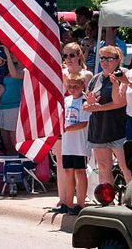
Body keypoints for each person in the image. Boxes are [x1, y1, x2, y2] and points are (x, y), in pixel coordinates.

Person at [84, 45, 132, 185]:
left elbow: (120, 102)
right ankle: (107, 202)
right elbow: (85, 105)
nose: (105, 62)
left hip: (119, 129)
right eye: (102, 58)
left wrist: (99, 108)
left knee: (125, 167)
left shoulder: (124, 75)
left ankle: (131, 202)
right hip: (99, 130)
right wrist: (90, 105)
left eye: (109, 58)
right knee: (104, 167)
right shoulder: (95, 79)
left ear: (118, 60)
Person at [55, 72, 91, 216]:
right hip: (67, 144)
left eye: (76, 86)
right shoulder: (66, 100)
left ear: (82, 85)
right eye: (70, 86)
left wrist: (67, 128)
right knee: (68, 171)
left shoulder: (84, 101)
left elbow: (83, 123)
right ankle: (68, 202)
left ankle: (80, 203)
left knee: (80, 172)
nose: (73, 89)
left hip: (80, 144)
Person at [0, 46, 24, 155]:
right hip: (2, 106)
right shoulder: (9, 68)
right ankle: (10, 165)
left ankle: (18, 166)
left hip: (14, 107)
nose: (11, 56)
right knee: (6, 141)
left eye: (13, 54)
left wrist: (7, 54)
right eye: (10, 54)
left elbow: (15, 75)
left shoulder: (25, 70)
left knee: (14, 141)